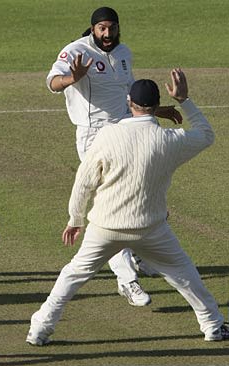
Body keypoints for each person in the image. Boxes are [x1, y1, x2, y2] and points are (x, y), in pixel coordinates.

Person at [26, 68, 229, 345]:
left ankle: (39, 330)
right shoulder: (170, 141)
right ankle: (213, 326)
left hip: (105, 227)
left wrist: (75, 219)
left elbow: (84, 181)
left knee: (72, 275)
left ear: (129, 102)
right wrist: (184, 100)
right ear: (157, 107)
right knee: (184, 274)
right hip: (151, 229)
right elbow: (206, 135)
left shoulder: (108, 135)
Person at [46, 7, 180, 306]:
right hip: (95, 136)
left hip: (127, 128)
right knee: (112, 206)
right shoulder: (75, 51)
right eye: (102, 29)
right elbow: (52, 82)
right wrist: (72, 79)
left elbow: (125, 96)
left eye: (112, 28)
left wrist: (157, 110)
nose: (107, 34)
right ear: (93, 28)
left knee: (143, 193)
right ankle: (126, 280)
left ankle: (143, 256)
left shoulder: (124, 53)